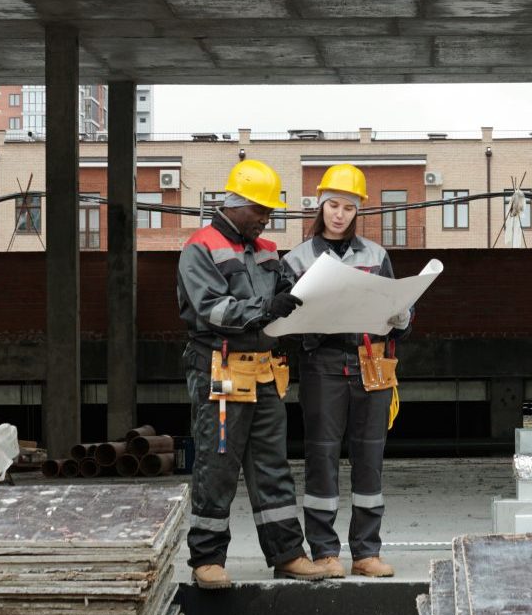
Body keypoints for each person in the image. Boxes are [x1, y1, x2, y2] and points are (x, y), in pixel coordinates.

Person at [175, 158, 332, 588]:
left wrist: (293, 298)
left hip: (262, 371)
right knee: (217, 464)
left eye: (269, 212)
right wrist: (268, 309)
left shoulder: (265, 250)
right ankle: (206, 560)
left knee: (272, 466)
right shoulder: (200, 248)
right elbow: (214, 310)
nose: (266, 219)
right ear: (235, 204)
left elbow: (280, 292)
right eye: (260, 211)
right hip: (221, 369)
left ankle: (287, 554)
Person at [283, 164, 411, 579]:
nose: (340, 214)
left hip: (370, 363)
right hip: (321, 362)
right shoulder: (296, 259)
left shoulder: (376, 256)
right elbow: (282, 324)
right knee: (321, 456)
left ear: (358, 211)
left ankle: (366, 552)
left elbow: (397, 311)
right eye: (333, 205)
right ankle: (324, 551)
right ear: (320, 206)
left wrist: (403, 314)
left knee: (369, 457)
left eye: (348, 207)